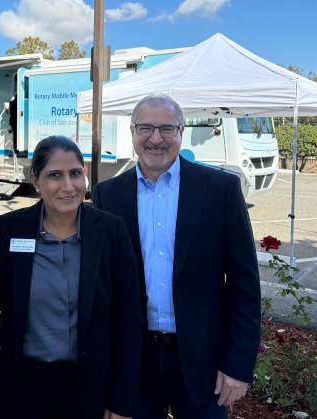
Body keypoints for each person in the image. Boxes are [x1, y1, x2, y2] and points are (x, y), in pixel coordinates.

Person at [93, 94, 261, 419]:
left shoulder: (220, 189)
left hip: (205, 363)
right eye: (145, 128)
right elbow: (104, 288)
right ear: (131, 132)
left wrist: (238, 365)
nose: (156, 138)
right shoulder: (108, 194)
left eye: (166, 128)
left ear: (181, 131)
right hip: (135, 364)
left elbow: (244, 285)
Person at [0, 135, 142, 419]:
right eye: (54, 175)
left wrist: (122, 399)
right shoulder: (10, 230)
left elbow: (129, 319)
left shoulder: (111, 231)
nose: (68, 186)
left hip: (90, 386)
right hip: (23, 386)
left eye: (75, 173)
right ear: (36, 181)